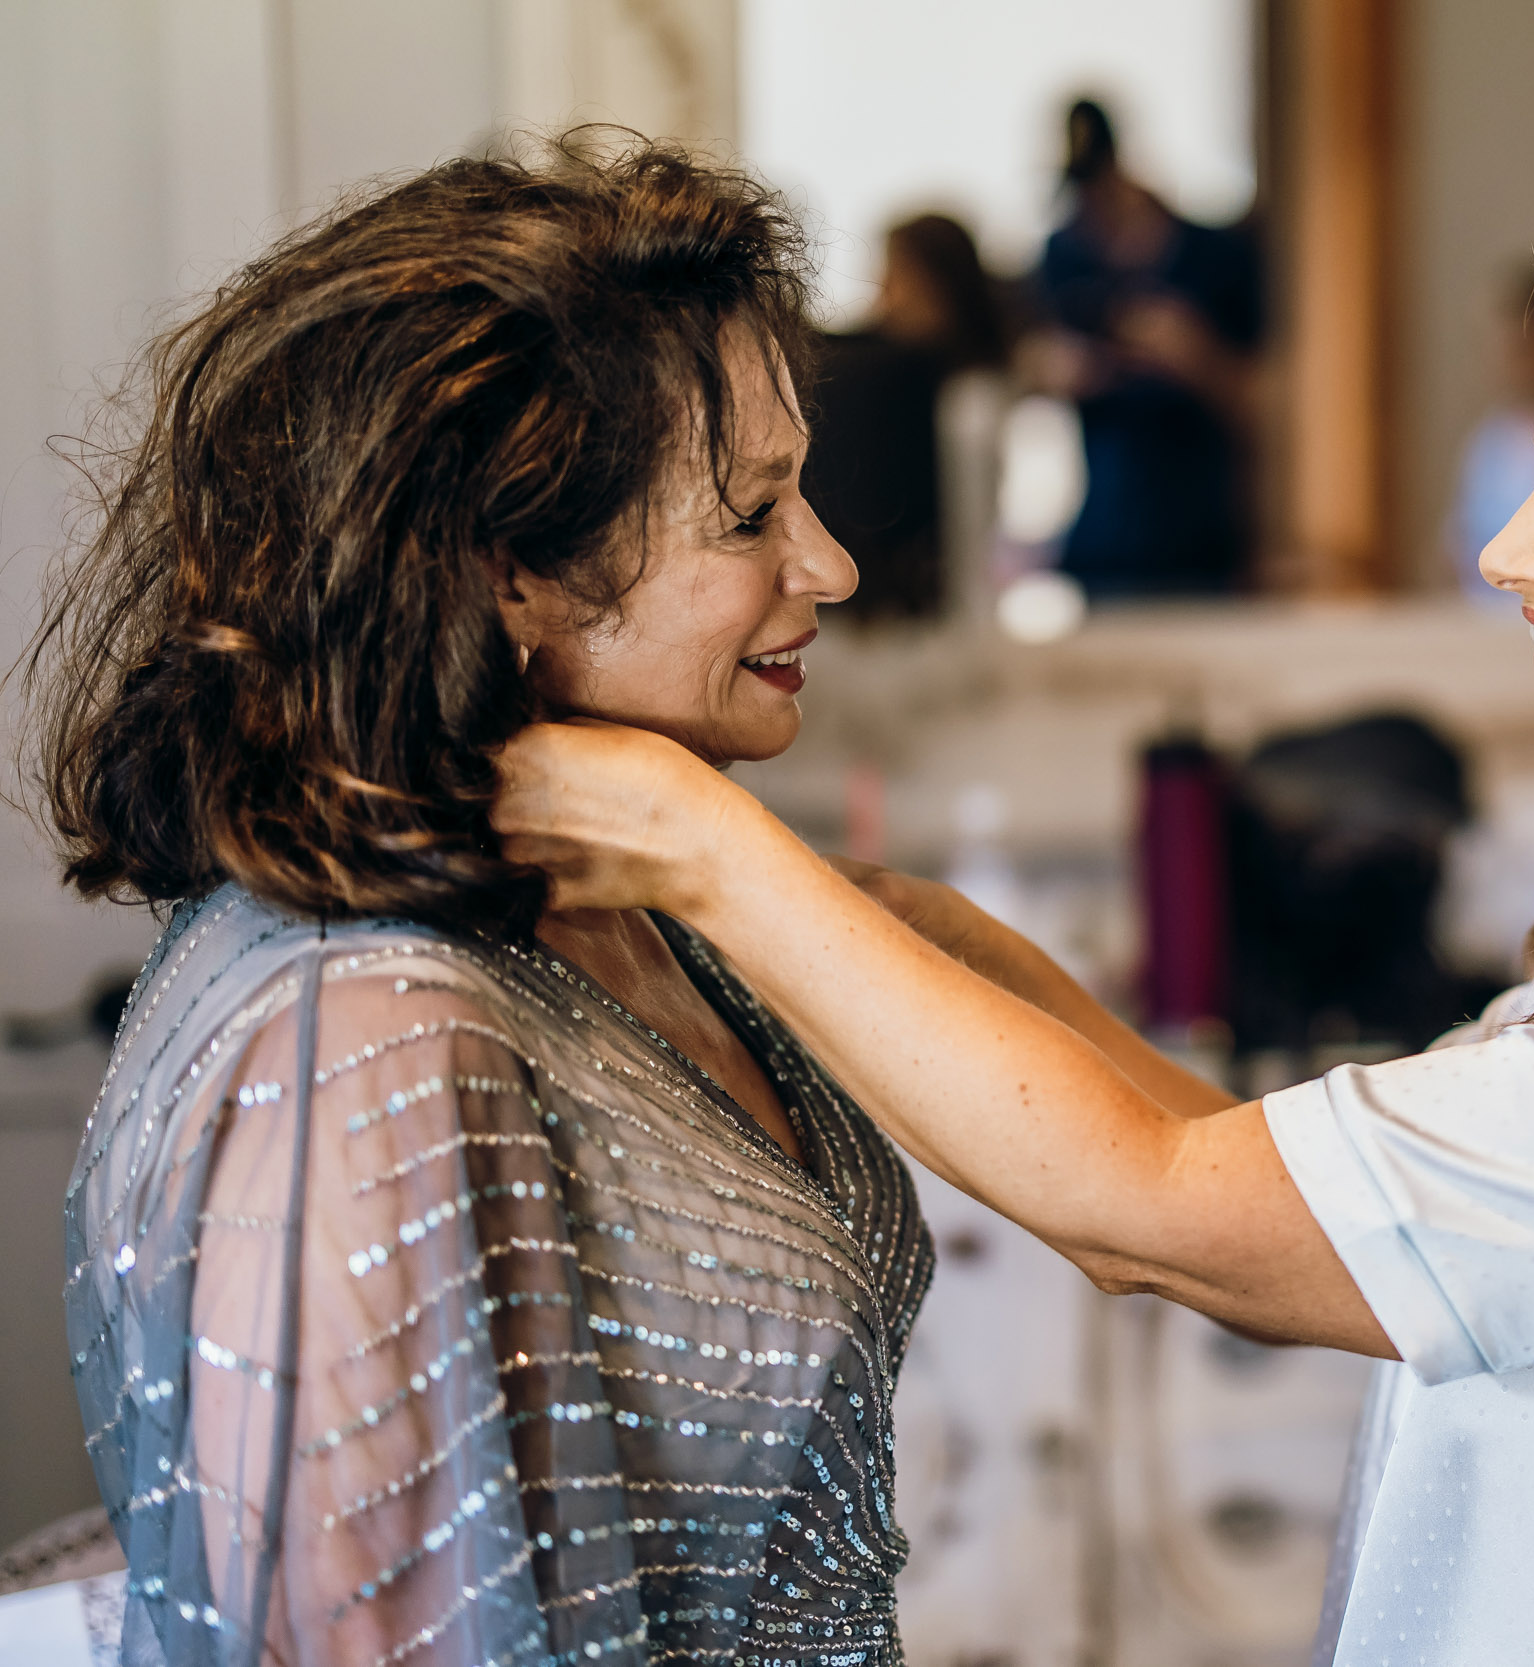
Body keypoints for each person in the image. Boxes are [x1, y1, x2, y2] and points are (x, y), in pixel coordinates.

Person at [494, 178, 1534, 1665]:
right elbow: (1223, 1154)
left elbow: (1154, 1212)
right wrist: (890, 919)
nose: (1513, 549)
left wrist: (700, 844)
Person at [29, 139, 933, 1666]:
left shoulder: (622, 896)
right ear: (511, 568)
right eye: (750, 516)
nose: (829, 562)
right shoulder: (367, 1032)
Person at [1025, 97, 1263, 597]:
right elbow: (1030, 365)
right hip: (1102, 538)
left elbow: (1267, 401)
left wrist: (1195, 355)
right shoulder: (1063, 258)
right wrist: (1051, 372)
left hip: (1201, 540)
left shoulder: (1214, 258)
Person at [802, 213, 1010, 621]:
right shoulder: (882, 373)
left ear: (940, 285)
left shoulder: (971, 398)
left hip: (945, 601)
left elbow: (968, 528)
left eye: (896, 278)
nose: (884, 294)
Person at [1443, 261, 1534, 606]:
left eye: (1520, 349)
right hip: (1485, 625)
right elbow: (1456, 546)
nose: (1506, 361)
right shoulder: (1489, 440)